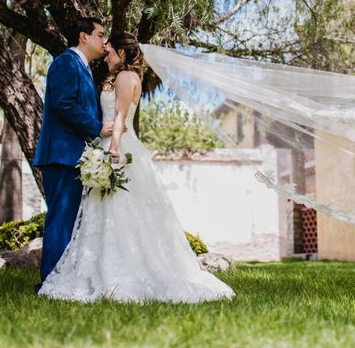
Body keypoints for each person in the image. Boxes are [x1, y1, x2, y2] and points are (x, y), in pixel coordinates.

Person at [38, 33, 235, 303]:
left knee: (117, 211)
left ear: (121, 51)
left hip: (117, 145)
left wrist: (113, 148)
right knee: (118, 212)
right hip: (114, 144)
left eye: (110, 51)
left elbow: (120, 117)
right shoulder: (127, 77)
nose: (106, 54)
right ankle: (109, 267)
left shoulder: (123, 78)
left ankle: (119, 271)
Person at [33, 17, 114, 291]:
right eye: (101, 35)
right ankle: (50, 283)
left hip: (75, 156)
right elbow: (63, 104)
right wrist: (98, 128)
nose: (104, 41)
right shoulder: (65, 63)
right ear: (83, 36)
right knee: (61, 218)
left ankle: (63, 280)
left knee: (71, 221)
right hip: (62, 153)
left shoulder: (85, 68)